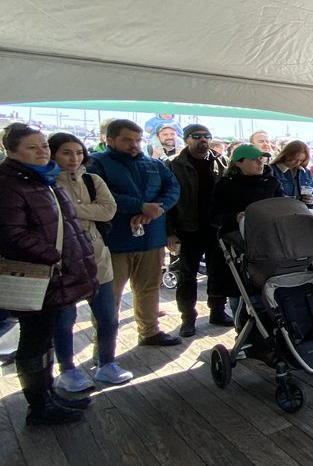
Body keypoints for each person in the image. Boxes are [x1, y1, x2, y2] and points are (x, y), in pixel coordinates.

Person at [0, 124, 98, 424]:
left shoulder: (41, 179)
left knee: (43, 339)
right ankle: (39, 405)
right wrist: (53, 256)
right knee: (35, 339)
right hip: (40, 275)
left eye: (43, 145)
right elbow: (10, 233)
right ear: (11, 150)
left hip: (56, 275)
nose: (42, 151)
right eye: (33, 147)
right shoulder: (10, 184)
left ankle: (48, 393)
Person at [49, 132, 132, 391]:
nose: (74, 158)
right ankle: (67, 369)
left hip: (97, 258)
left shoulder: (92, 180)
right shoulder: (46, 183)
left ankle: (106, 363)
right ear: (53, 154)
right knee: (64, 321)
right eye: (66, 152)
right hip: (63, 262)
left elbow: (108, 209)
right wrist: (85, 208)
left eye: (78, 152)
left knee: (108, 316)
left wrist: (69, 208)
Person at [88, 119, 180, 347]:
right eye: (126, 140)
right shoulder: (96, 164)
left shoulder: (154, 164)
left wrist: (155, 209)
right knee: (110, 294)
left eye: (137, 140)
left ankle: (149, 331)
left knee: (149, 287)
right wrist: (139, 206)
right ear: (109, 140)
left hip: (151, 238)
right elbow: (99, 195)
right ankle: (104, 340)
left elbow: (173, 188)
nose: (134, 145)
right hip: (115, 240)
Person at [167, 123, 233, 337]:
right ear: (186, 139)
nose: (203, 140)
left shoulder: (220, 161)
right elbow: (166, 200)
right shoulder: (173, 165)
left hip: (215, 227)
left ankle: (217, 311)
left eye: (207, 136)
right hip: (187, 228)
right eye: (197, 136)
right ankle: (188, 318)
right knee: (187, 275)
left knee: (218, 272)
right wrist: (169, 231)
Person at [205, 145, 284, 306]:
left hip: (268, 246)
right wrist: (235, 216)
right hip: (236, 247)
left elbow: (283, 206)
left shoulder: (272, 183)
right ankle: (241, 326)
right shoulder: (225, 185)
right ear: (239, 163)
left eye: (261, 159)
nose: (260, 163)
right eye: (254, 159)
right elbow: (213, 217)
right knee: (238, 293)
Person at [269, 140, 313, 212]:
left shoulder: (306, 172)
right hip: (281, 214)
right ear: (285, 156)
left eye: (301, 160)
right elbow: (268, 199)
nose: (297, 163)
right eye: (293, 159)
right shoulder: (272, 170)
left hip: (302, 214)